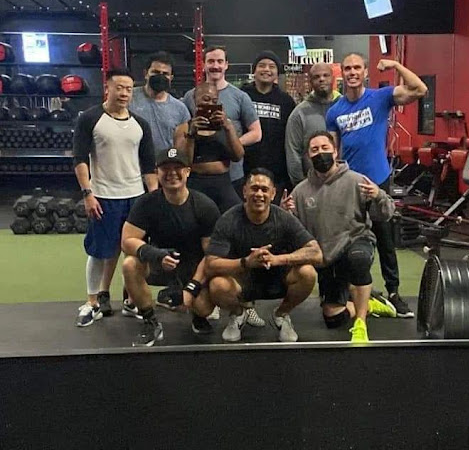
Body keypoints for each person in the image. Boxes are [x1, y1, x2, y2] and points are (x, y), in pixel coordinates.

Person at [326, 53, 428, 318]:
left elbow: (420, 89)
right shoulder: (334, 111)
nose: (352, 72)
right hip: (349, 183)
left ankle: (394, 293)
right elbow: (333, 149)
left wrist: (395, 65)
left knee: (385, 238)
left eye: (357, 68)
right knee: (348, 239)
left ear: (365, 72)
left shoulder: (380, 97)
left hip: (378, 180)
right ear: (342, 73)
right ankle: (354, 292)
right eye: (347, 68)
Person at [282, 132, 396, 342]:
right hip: (326, 258)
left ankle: (361, 323)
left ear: (335, 152)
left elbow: (386, 214)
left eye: (325, 148)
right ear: (308, 156)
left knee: (358, 259)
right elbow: (293, 231)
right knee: (333, 318)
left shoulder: (357, 180)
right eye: (314, 150)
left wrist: (378, 195)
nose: (320, 153)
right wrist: (285, 213)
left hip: (355, 242)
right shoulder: (300, 192)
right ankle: (369, 304)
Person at [73, 68, 158, 327]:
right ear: (107, 88)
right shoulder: (90, 119)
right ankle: (92, 302)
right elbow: (79, 159)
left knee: (136, 253)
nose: (124, 93)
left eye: (129, 89)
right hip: (103, 197)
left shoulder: (140, 125)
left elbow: (149, 166)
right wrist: (88, 193)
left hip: (136, 199)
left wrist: (155, 199)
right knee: (100, 252)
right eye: (119, 87)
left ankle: (131, 301)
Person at [205, 168, 323, 343]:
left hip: (278, 279)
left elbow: (316, 253)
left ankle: (281, 315)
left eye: (264, 190)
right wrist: (246, 262)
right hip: (243, 280)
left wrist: (277, 259)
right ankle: (238, 314)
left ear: (273, 193)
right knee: (217, 285)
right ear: (244, 191)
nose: (259, 194)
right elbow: (210, 264)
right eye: (254, 188)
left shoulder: (283, 218)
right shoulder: (228, 220)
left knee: (308, 273)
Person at [121, 147, 221, 346]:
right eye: (166, 168)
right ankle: (150, 321)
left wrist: (191, 288)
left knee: (204, 307)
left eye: (178, 168)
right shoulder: (146, 204)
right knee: (130, 264)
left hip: (193, 268)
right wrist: (156, 254)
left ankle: (197, 316)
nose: (172, 173)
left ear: (188, 171)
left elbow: (211, 255)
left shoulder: (204, 206)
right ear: (157, 172)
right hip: (158, 264)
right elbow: (127, 240)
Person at [182, 45, 262, 195]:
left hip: (232, 175)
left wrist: (230, 143)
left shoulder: (240, 97)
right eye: (211, 61)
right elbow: (183, 131)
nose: (216, 66)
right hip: (197, 174)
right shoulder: (190, 96)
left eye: (220, 61)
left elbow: (256, 133)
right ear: (203, 64)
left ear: (226, 65)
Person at [174, 81, 243, 213]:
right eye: (206, 99)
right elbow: (182, 162)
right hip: (196, 182)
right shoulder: (183, 128)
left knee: (234, 215)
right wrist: (191, 135)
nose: (210, 104)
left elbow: (238, 155)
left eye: (214, 101)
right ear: (195, 100)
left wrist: (228, 128)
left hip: (223, 182)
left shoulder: (226, 126)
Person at [241, 51, 296, 200]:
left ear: (277, 73)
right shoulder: (243, 96)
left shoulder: (286, 101)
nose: (266, 69)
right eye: (262, 65)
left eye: (272, 66)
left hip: (277, 173)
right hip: (245, 169)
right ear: (254, 70)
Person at [285, 62, 340, 186]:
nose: (322, 79)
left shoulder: (344, 108)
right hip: (312, 185)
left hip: (343, 182)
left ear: (333, 78)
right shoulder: (299, 114)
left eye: (326, 75)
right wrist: (301, 185)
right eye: (316, 77)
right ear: (310, 82)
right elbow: (293, 153)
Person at [129, 51, 190, 152]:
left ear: (171, 78)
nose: (160, 76)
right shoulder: (129, 98)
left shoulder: (180, 109)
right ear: (146, 74)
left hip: (164, 161)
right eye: (156, 72)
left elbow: (180, 148)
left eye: (165, 74)